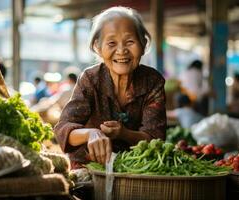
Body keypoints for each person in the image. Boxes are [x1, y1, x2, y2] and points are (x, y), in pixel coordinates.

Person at [54, 6, 166, 168]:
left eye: (130, 42)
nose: (121, 51)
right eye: (112, 43)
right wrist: (91, 133)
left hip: (135, 168)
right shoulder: (90, 79)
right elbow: (63, 130)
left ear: (143, 44)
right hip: (89, 167)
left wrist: (124, 133)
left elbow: (156, 139)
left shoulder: (152, 81)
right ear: (98, 47)